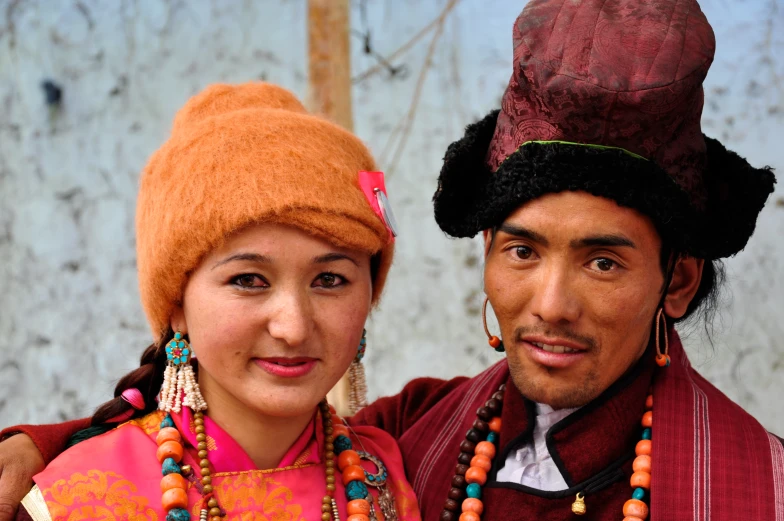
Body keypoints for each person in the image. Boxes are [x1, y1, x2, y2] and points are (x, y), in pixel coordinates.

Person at [2, 1, 783, 520]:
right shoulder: (423, 429)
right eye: (521, 249)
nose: (551, 302)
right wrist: (48, 446)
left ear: (676, 280)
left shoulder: (760, 486)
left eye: (603, 263)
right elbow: (233, 419)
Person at [1, 82, 421, 521]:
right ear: (177, 304)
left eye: (330, 279)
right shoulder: (77, 498)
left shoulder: (392, 473)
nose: (293, 326)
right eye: (249, 280)